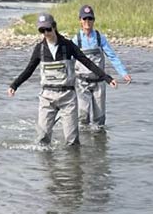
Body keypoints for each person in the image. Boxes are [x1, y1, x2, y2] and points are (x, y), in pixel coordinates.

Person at [7, 13, 116, 146]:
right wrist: (14, 85)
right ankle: (46, 166)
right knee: (42, 139)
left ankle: (73, 165)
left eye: (48, 29)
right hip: (47, 98)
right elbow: (29, 70)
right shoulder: (39, 49)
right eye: (42, 30)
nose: (46, 33)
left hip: (67, 98)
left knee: (72, 141)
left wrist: (106, 78)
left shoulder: (68, 45)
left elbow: (86, 62)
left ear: (54, 27)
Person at [74, 5, 131, 130]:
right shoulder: (76, 40)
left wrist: (123, 73)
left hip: (99, 83)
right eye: (85, 19)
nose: (87, 22)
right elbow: (68, 61)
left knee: (99, 120)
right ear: (80, 21)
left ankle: (99, 145)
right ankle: (84, 145)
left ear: (94, 20)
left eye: (90, 19)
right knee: (82, 118)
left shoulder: (100, 38)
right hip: (81, 84)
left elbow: (112, 56)